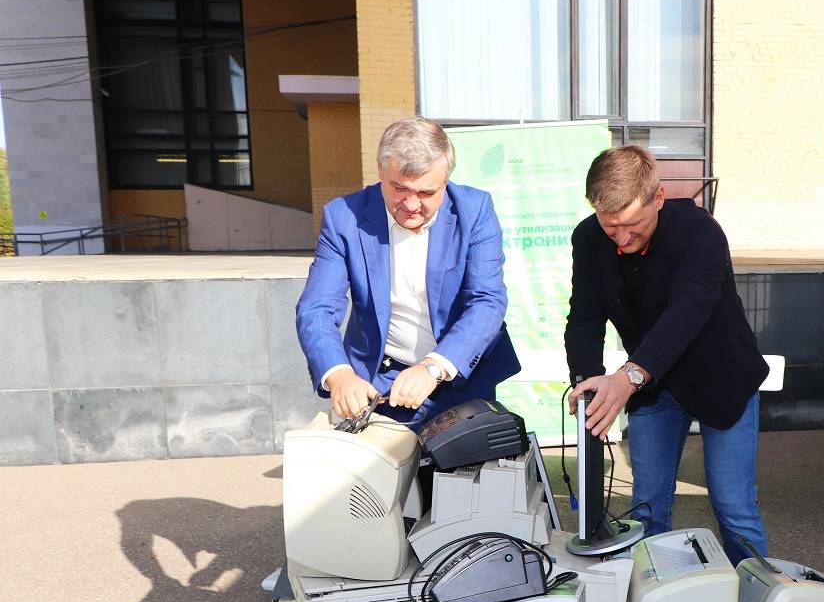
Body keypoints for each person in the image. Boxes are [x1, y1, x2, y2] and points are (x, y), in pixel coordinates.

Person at [564, 146, 768, 564]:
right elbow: (584, 316)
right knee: (648, 506)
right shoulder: (588, 238)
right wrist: (588, 384)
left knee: (733, 508)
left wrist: (627, 379)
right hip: (656, 389)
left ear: (658, 197)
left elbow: (687, 313)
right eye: (610, 225)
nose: (622, 238)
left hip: (721, 380)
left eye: (633, 224)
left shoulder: (700, 231)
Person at [296, 117, 519, 427]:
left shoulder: (475, 210)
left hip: (460, 377)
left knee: (461, 475)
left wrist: (433, 367)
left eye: (427, 193)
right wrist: (339, 374)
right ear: (380, 171)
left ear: (445, 179)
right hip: (378, 384)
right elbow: (316, 308)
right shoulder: (343, 218)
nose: (412, 205)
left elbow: (487, 300)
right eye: (399, 188)